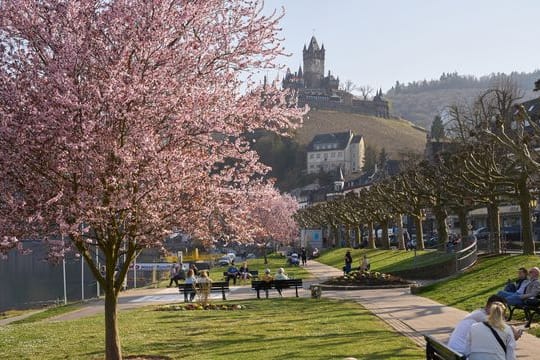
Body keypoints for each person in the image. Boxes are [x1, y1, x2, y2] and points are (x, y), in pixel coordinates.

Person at [448, 295, 521, 355]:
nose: (502, 313)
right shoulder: (482, 317)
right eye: (500, 310)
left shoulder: (478, 313)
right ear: (490, 307)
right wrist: (513, 334)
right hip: (463, 354)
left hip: (455, 352)